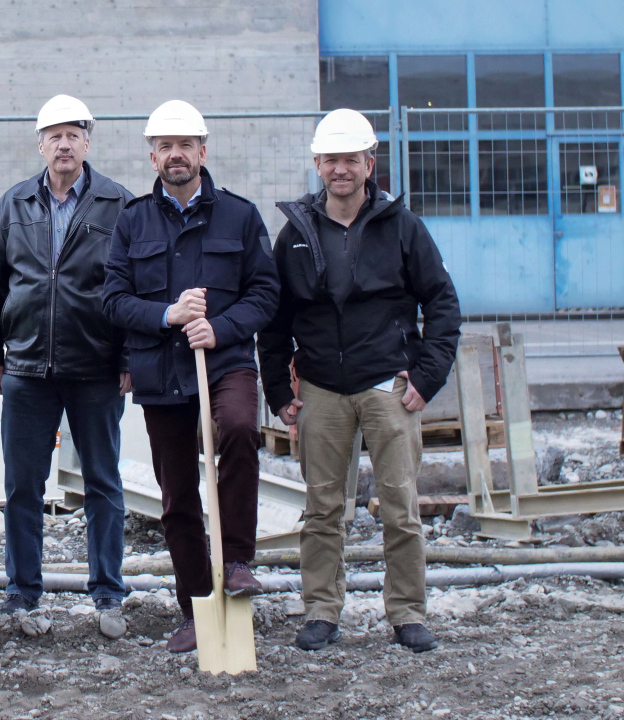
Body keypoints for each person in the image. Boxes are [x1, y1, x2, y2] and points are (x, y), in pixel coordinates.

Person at [258, 109, 461, 654]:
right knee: (323, 508)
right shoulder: (296, 234)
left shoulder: (402, 227)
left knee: (400, 505)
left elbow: (441, 302)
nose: (341, 169)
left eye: (352, 159)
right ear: (317, 164)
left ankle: (407, 613)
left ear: (370, 163)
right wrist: (279, 390)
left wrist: (427, 376)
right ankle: (322, 610)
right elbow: (274, 320)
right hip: (321, 389)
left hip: (386, 387)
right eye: (331, 160)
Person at [102, 100, 279, 654]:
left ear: (203, 151)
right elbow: (111, 299)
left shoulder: (240, 216)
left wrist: (219, 328)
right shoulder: (132, 221)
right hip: (162, 371)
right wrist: (166, 316)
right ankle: (194, 608)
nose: (175, 154)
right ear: (152, 155)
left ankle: (238, 562)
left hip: (225, 361)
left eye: (186, 145)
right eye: (165, 146)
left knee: (241, 431)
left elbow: (266, 292)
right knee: (177, 494)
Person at [0, 94, 132, 638]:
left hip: (96, 366)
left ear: (88, 141)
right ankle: (22, 593)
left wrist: (129, 357)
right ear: (39, 144)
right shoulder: (14, 202)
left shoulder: (119, 204)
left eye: (73, 134)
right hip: (25, 367)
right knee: (23, 484)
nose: (63, 144)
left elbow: (133, 287)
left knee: (102, 482)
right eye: (54, 135)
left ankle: (109, 593)